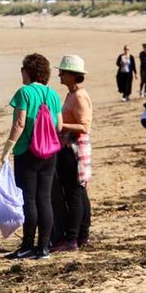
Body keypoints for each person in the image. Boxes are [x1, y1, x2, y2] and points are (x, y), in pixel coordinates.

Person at [0, 53, 62, 260]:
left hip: (27, 151)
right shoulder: (53, 95)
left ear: (27, 71)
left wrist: (8, 147)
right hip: (49, 152)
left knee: (29, 199)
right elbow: (59, 125)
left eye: (22, 69)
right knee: (44, 198)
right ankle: (43, 248)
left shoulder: (24, 92)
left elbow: (19, 123)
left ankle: (27, 245)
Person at [52, 55, 92, 252]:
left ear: (73, 75)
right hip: (69, 147)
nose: (59, 74)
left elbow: (84, 126)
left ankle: (72, 239)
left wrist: (60, 125)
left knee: (74, 193)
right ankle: (82, 235)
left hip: (74, 149)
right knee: (79, 192)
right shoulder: (72, 94)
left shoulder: (79, 96)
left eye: (63, 72)